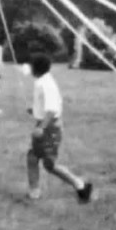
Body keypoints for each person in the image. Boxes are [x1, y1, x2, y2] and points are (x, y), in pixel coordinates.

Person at [26, 53, 93, 203]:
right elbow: (49, 105)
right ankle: (35, 191)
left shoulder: (45, 84)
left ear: (36, 68)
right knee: (33, 157)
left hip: (49, 128)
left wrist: (41, 128)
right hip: (48, 126)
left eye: (31, 66)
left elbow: (51, 109)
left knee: (48, 164)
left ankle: (80, 185)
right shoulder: (43, 81)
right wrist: (35, 110)